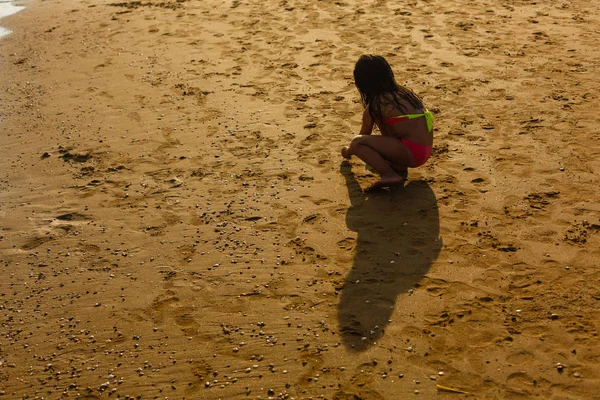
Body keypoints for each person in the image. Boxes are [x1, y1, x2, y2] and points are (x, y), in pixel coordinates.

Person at [341, 55, 434, 191]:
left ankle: (389, 175)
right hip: (425, 150)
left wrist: (348, 151)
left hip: (412, 153)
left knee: (357, 143)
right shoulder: (404, 94)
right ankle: (398, 168)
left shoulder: (376, 105)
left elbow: (363, 136)